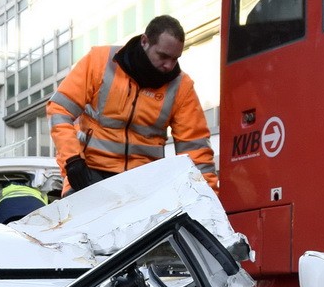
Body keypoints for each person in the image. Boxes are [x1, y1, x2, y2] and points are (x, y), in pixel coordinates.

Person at [47, 15, 218, 195]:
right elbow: (59, 109)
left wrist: (207, 198)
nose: (169, 65)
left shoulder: (181, 86)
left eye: (175, 59)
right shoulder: (99, 62)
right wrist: (72, 161)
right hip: (89, 173)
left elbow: (196, 149)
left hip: (143, 182)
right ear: (145, 42)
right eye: (163, 56)